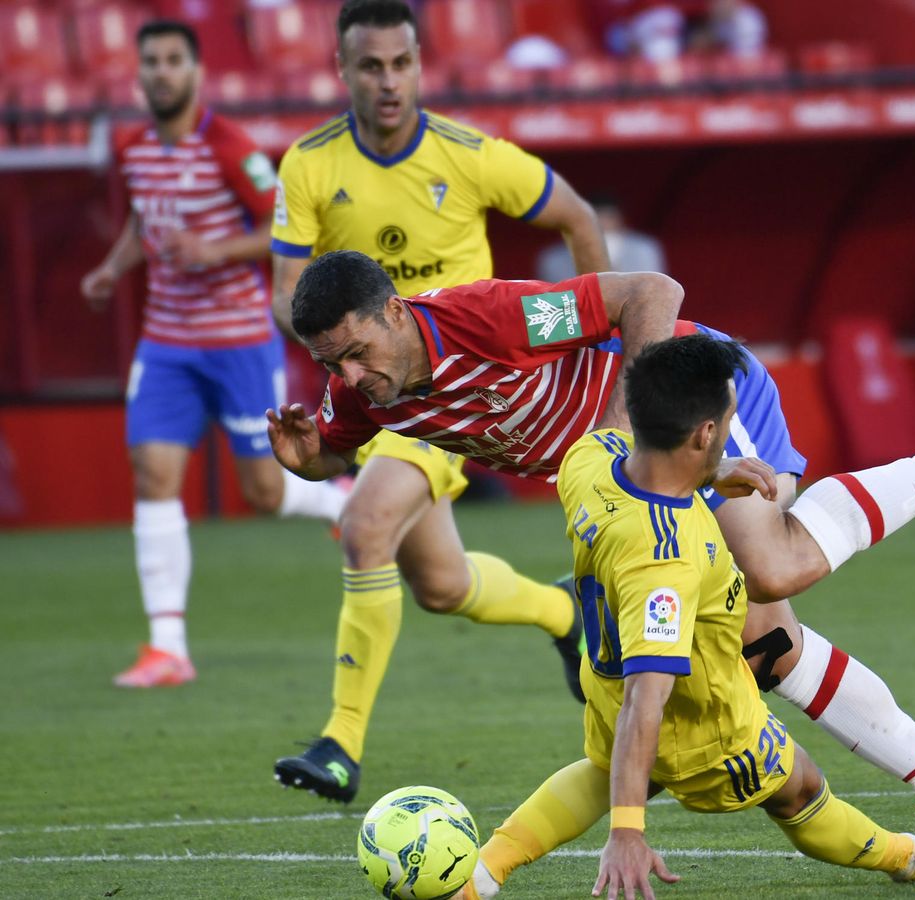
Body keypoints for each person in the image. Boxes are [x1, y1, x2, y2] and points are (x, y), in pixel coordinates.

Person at [268, 250, 915, 838]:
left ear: (395, 314)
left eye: (355, 353)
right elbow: (339, 444)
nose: (345, 378)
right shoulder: (367, 396)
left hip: (702, 396)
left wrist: (634, 435)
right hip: (646, 471)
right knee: (768, 645)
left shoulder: (484, 318)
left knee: (773, 562)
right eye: (327, 364)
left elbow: (649, 291)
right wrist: (312, 461)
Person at [447, 334, 915, 899]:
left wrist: (709, 474)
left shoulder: (588, 459)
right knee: (799, 789)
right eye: (726, 419)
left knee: (606, 769)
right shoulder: (665, 563)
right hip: (703, 722)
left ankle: (483, 872)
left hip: (607, 693)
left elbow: (636, 466)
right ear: (704, 433)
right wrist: (627, 834)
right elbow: (650, 697)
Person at [267, 0, 611, 802]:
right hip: (375, 388)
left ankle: (339, 746)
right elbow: (287, 295)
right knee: (443, 585)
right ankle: (563, 616)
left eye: (402, 64)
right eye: (371, 67)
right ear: (342, 71)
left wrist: (602, 349)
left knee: (365, 526)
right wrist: (348, 330)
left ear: (421, 63)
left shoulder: (468, 154)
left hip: (457, 385)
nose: (389, 82)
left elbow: (576, 216)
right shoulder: (308, 163)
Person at [78, 19, 348, 689]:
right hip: (167, 342)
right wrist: (113, 268)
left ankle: (342, 502)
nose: (162, 72)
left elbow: (280, 228)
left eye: (174, 60)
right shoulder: (135, 149)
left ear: (196, 72)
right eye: (152, 61)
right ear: (139, 73)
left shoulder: (231, 147)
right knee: (152, 473)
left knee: (263, 491)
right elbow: (147, 219)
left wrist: (216, 251)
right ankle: (168, 647)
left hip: (236, 341)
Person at [537, 191, 666, 283]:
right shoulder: (554, 257)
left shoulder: (644, 248)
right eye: (595, 218)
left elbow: (654, 286)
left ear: (620, 219)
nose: (602, 224)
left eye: (608, 217)